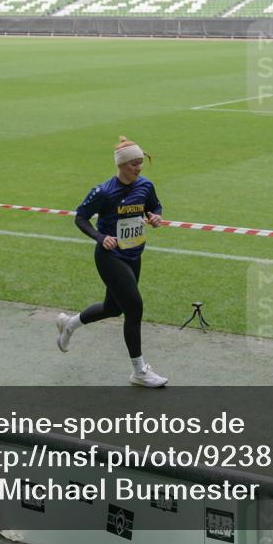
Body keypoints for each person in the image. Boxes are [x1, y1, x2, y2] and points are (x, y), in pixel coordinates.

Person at [55, 136, 167, 387]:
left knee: (113, 308)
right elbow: (81, 218)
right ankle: (139, 371)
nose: (138, 168)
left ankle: (69, 324)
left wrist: (156, 218)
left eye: (141, 163)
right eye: (133, 164)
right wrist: (100, 236)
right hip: (109, 256)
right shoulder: (103, 192)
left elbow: (155, 207)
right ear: (121, 165)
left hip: (134, 254)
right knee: (134, 307)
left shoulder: (145, 186)